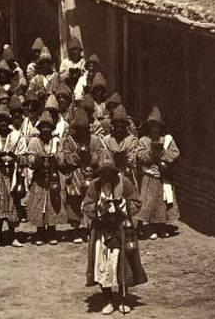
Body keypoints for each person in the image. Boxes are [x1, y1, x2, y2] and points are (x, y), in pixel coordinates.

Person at [82, 150, 147, 315]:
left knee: (123, 262)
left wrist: (123, 204)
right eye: (103, 173)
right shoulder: (94, 186)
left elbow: (137, 203)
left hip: (121, 228)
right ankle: (107, 299)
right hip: (102, 230)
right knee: (103, 263)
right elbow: (86, 206)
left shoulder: (124, 183)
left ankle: (123, 298)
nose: (106, 176)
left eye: (109, 173)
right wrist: (99, 207)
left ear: (114, 173)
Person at [0, 104, 26, 248]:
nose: (3, 123)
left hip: (11, 175)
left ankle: (13, 235)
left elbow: (23, 155)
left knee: (13, 203)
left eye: (5, 120)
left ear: (9, 121)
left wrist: (15, 157)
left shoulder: (16, 136)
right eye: (0, 120)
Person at [59, 108, 104, 243]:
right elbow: (64, 157)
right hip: (74, 175)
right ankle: (76, 230)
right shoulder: (69, 140)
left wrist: (91, 158)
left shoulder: (94, 140)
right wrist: (77, 156)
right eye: (78, 129)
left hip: (91, 174)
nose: (81, 132)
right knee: (74, 202)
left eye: (83, 129)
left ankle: (90, 229)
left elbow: (101, 155)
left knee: (91, 201)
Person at [135, 106, 180, 239]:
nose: (155, 129)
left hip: (163, 176)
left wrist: (163, 153)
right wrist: (149, 153)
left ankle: (162, 227)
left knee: (163, 202)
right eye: (152, 126)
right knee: (150, 202)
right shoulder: (143, 140)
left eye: (157, 126)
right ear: (149, 127)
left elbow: (175, 153)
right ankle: (152, 228)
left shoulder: (167, 140)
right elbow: (139, 154)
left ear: (161, 127)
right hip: (149, 176)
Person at [27, 112, 68, 245]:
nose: (45, 129)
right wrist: (36, 160)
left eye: (48, 127)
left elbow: (62, 159)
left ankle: (51, 230)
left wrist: (55, 158)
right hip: (39, 177)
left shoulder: (57, 142)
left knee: (53, 201)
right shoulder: (34, 142)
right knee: (39, 202)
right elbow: (30, 159)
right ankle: (39, 232)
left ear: (52, 128)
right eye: (43, 127)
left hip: (53, 176)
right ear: (39, 128)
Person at [103, 106, 139, 187]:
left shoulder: (131, 139)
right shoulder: (107, 140)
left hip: (127, 175)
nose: (119, 129)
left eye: (122, 126)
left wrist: (127, 157)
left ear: (126, 127)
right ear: (113, 126)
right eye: (117, 126)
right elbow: (104, 158)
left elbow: (134, 160)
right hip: (111, 175)